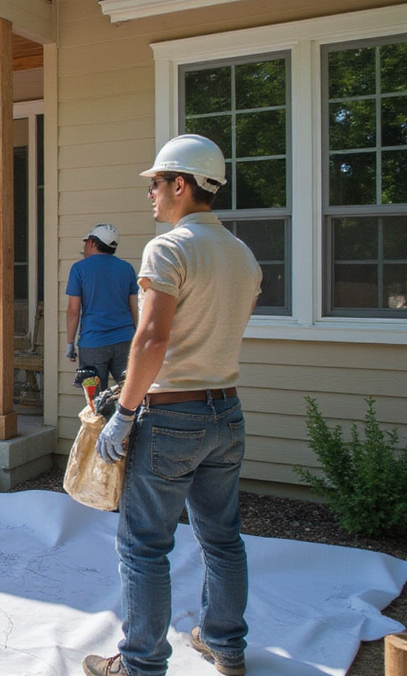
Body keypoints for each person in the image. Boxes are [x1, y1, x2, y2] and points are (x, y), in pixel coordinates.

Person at [83, 134, 262, 676]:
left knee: (144, 546)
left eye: (157, 183)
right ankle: (226, 647)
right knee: (222, 538)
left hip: (172, 418)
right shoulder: (242, 254)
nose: (152, 195)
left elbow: (151, 340)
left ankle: (139, 664)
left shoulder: (169, 248)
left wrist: (127, 413)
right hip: (226, 412)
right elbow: (231, 330)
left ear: (180, 184)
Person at [66, 223, 138, 388]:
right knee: (130, 397)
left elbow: (73, 310)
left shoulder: (79, 269)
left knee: (95, 402)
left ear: (91, 243)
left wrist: (70, 343)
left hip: (93, 343)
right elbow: (134, 307)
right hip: (125, 341)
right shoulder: (127, 269)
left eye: (86, 243)